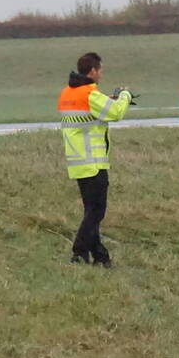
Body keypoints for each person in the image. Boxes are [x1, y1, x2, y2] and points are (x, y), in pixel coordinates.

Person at [57, 52, 133, 267]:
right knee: (96, 213)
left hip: (77, 161)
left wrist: (106, 100)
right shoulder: (90, 94)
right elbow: (116, 112)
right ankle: (79, 252)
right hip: (94, 162)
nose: (101, 74)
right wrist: (125, 95)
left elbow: (87, 115)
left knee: (91, 212)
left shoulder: (67, 93)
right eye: (100, 70)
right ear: (92, 71)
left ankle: (100, 256)